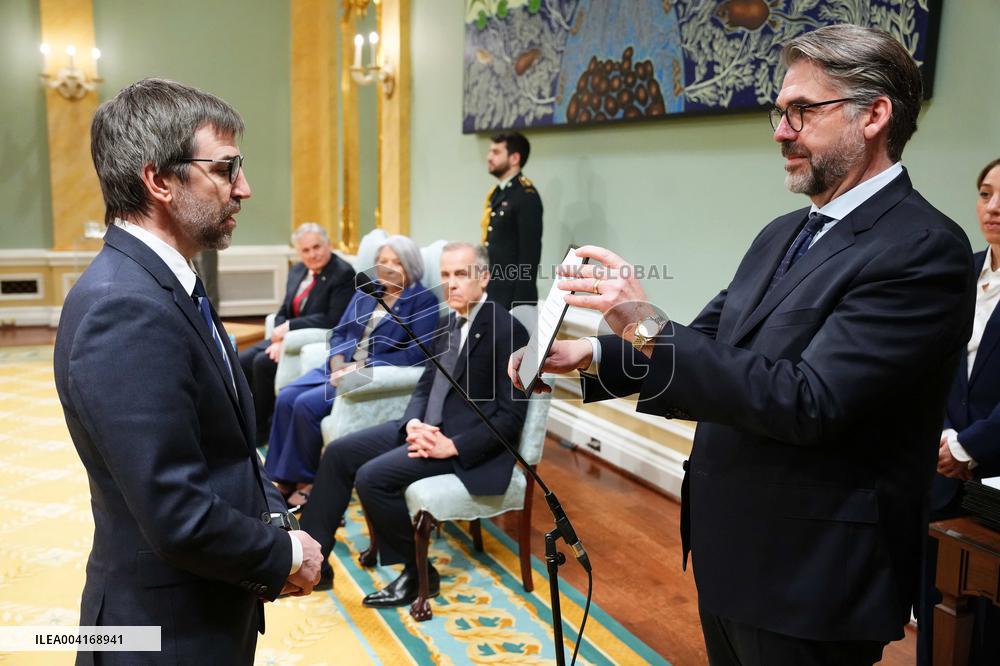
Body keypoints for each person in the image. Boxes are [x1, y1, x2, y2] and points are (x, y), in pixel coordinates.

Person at [511, 25, 976, 665]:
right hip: (733, 552)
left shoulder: (924, 249)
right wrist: (586, 353)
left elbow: (809, 401)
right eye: (779, 113)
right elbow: (710, 340)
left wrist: (638, 318)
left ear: (874, 115)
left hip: (812, 577)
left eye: (802, 111)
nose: (781, 132)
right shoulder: (783, 231)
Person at [53, 78, 323, 665]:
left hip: (197, 613)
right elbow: (174, 511)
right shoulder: (124, 307)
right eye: (226, 169)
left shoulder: (165, 283)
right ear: (159, 181)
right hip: (162, 636)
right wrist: (282, 556)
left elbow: (219, 449)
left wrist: (275, 519)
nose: (244, 189)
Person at [301, 242, 528, 600]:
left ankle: (418, 574)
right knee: (339, 453)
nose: (450, 284)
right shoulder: (447, 321)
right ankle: (313, 563)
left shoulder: (508, 330)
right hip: (425, 429)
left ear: (483, 278)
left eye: (461, 275)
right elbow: (425, 386)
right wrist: (411, 423)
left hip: (465, 446)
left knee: (372, 477)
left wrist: (450, 445)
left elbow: (511, 417)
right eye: (445, 275)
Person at [266, 235, 440, 507]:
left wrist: (362, 366)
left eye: (396, 262)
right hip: (339, 365)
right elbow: (340, 332)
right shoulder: (367, 292)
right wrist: (337, 361)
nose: (388, 268)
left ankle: (309, 482)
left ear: (410, 265)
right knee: (287, 395)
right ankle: (284, 478)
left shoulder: (422, 301)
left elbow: (417, 354)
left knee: (305, 405)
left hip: (370, 372)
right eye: (382, 262)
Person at [917, 158, 1000, 666]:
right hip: (938, 471)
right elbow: (925, 363)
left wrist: (971, 446)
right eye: (986, 193)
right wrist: (942, 437)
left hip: (993, 475)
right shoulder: (959, 272)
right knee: (937, 613)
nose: (994, 208)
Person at [239, 223, 356, 444]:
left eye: (317, 247)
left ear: (328, 244)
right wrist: (280, 336)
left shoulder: (343, 273)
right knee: (241, 361)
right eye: (306, 250)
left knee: (261, 363)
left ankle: (263, 431)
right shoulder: (297, 270)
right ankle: (248, 422)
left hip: (312, 339)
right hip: (287, 337)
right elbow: (284, 310)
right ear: (299, 252)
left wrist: (289, 331)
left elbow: (333, 318)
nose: (313, 254)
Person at [481, 131, 543, 309]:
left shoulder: (526, 195)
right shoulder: (497, 193)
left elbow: (529, 255)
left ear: (514, 158)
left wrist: (519, 304)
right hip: (494, 290)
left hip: (512, 297)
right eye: (490, 151)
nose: (489, 157)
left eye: (496, 152)